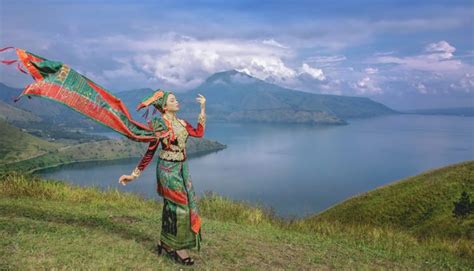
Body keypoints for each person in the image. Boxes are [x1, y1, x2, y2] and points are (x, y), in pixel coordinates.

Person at [118, 90, 206, 266]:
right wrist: (134, 174)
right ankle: (180, 249)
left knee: (172, 207)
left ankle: (164, 243)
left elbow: (199, 133)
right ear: (165, 106)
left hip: (181, 169)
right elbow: (151, 151)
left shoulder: (182, 123)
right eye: (173, 100)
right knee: (181, 207)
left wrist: (203, 108)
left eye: (176, 99)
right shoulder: (159, 124)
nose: (177, 102)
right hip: (166, 170)